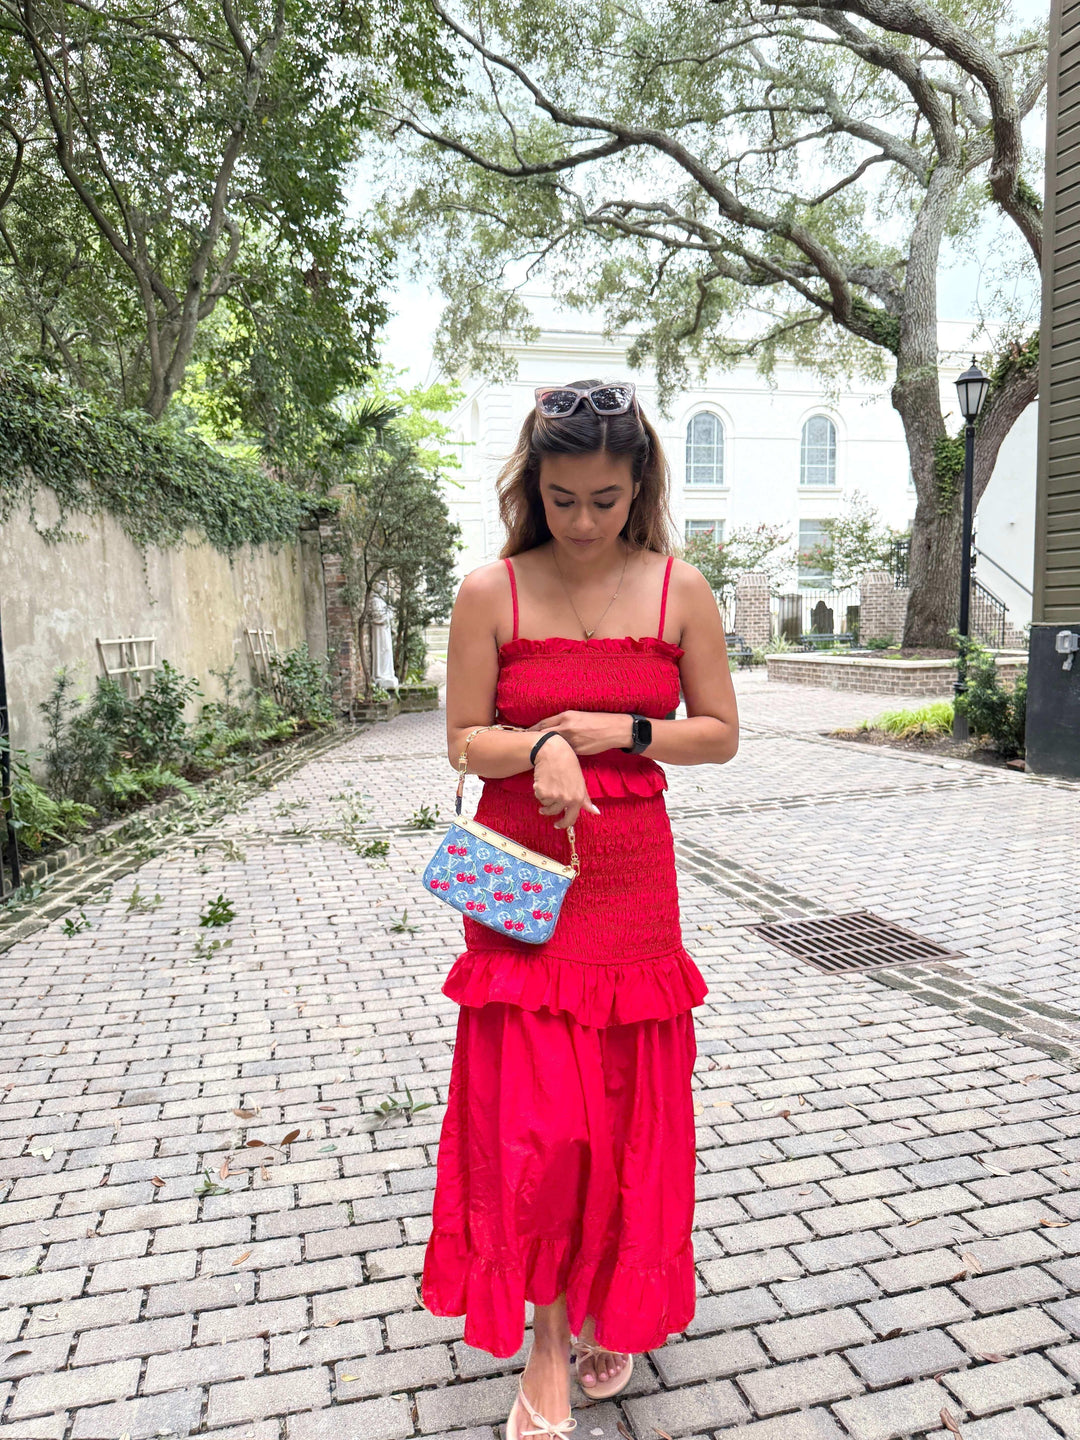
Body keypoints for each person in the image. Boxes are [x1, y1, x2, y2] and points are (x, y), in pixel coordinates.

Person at [420, 379, 739, 1439]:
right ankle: (546, 1338)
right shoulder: (491, 592)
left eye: (606, 498)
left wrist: (622, 733)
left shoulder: (680, 590)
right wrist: (546, 743)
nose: (586, 521)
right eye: (564, 500)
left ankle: (614, 1304)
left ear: (640, 482)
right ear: (533, 488)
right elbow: (465, 737)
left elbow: (718, 733)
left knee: (622, 1120)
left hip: (634, 884)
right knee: (542, 1127)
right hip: (521, 878)